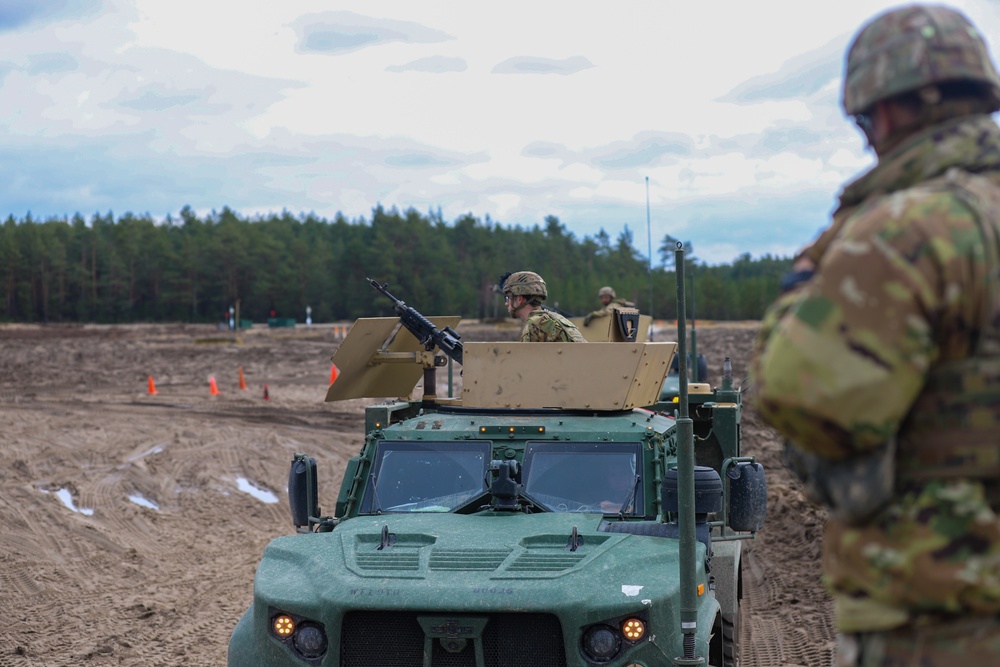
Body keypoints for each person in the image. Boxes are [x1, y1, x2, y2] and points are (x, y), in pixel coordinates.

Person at [752, 5, 1000, 665]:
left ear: (884, 114)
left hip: (948, 623)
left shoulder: (913, 229)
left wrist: (799, 292)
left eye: (865, 124)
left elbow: (807, 405)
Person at [502, 271, 586, 342]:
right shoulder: (554, 318)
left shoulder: (535, 325)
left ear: (520, 299)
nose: (506, 303)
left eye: (507, 298)